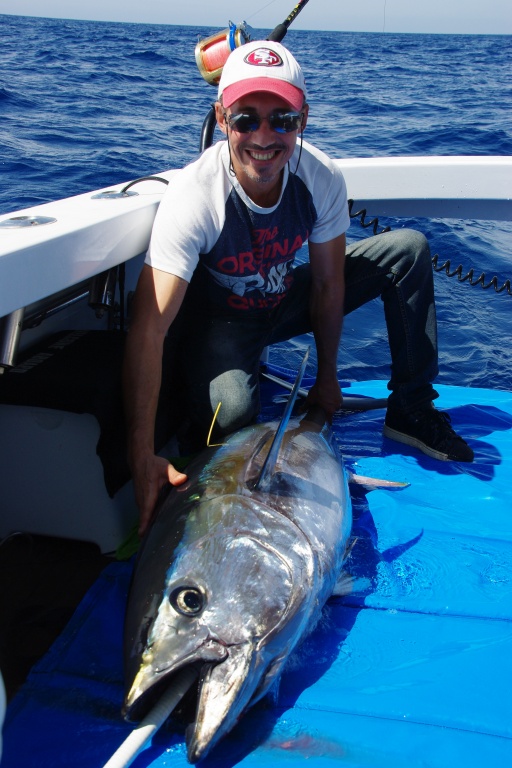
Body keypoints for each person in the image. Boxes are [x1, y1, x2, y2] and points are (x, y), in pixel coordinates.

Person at [123, 40, 474, 535]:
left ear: (303, 120)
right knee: (232, 420)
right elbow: (149, 327)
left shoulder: (320, 177)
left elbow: (329, 284)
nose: (264, 137)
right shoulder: (193, 197)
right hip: (223, 319)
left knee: (408, 250)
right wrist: (141, 455)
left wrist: (327, 377)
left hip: (284, 294)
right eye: (246, 119)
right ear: (222, 119)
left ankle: (412, 408)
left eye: (281, 120)